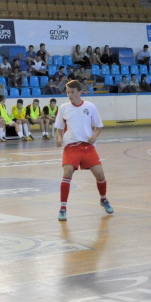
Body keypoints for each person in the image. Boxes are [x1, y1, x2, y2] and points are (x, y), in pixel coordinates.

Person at [54, 80, 113, 221]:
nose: (70, 95)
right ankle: (63, 208)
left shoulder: (90, 106)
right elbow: (59, 129)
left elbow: (98, 127)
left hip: (87, 146)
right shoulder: (63, 108)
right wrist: (58, 138)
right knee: (67, 172)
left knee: (100, 175)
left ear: (80, 92)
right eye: (68, 92)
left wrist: (94, 136)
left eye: (72, 92)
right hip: (71, 146)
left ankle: (103, 199)